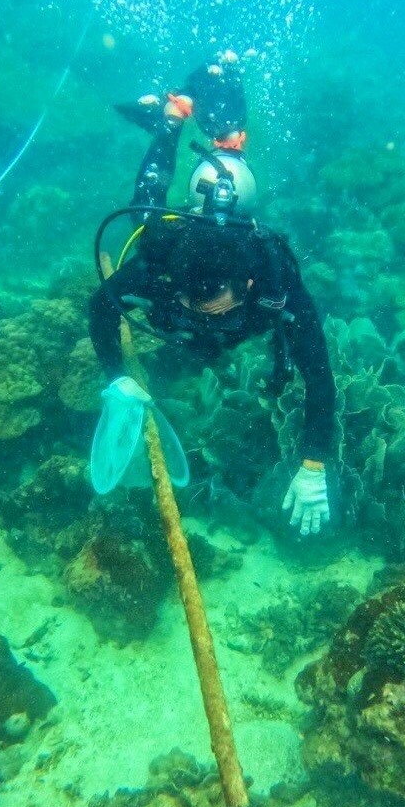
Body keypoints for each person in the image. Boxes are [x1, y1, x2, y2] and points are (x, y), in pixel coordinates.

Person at [88, 53, 337, 537]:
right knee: (147, 205)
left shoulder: (274, 276)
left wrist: (313, 464)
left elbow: (318, 374)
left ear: (249, 287)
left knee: (230, 172)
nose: (199, 311)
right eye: (189, 301)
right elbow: (100, 306)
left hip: (243, 236)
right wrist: (116, 376)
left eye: (213, 304)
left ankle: (226, 142)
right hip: (175, 235)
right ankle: (170, 121)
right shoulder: (163, 257)